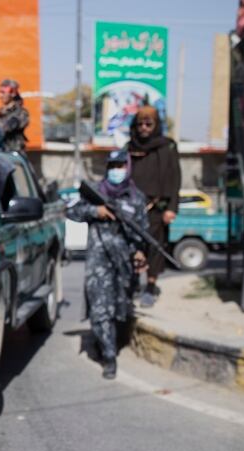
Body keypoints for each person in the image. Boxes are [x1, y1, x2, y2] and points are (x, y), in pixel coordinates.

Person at [67, 149, 148, 379]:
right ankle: (109, 356)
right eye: (112, 166)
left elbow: (142, 231)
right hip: (98, 261)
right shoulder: (95, 192)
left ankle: (110, 342)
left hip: (123, 263)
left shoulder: (136, 198)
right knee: (100, 308)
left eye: (121, 165)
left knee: (120, 309)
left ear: (128, 166)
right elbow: (71, 210)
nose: (116, 170)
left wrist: (140, 252)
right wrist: (96, 210)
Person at [127, 105, 181, 308]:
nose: (144, 127)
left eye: (148, 123)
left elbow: (175, 178)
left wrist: (172, 208)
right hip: (132, 207)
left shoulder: (167, 146)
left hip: (157, 207)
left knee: (155, 248)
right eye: (140, 123)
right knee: (132, 247)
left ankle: (150, 287)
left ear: (156, 125)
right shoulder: (129, 147)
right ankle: (132, 285)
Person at [0, 78, 30, 152]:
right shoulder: (1, 112)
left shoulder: (21, 112)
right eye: (0, 92)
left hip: (13, 155)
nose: (0, 95)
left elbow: (8, 127)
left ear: (13, 93)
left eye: (3, 92)